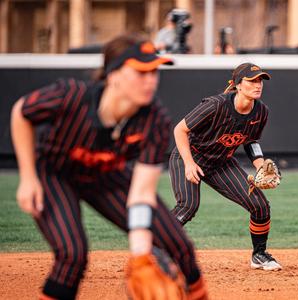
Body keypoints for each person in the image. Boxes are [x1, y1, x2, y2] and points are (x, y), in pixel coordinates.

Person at [10, 34, 207, 300]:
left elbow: (141, 194)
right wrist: (28, 177)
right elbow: (22, 112)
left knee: (179, 245)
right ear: (113, 76)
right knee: (72, 255)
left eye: (154, 71)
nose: (150, 80)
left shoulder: (154, 118)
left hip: (107, 175)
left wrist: (139, 254)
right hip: (55, 174)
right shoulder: (71, 96)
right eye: (140, 72)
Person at [169, 62, 282, 271]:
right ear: (238, 85)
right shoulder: (216, 105)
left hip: (221, 162)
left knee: (260, 206)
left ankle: (259, 255)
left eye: (260, 80)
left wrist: (259, 165)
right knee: (188, 206)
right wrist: (188, 163)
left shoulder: (261, 112)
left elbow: (250, 141)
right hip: (190, 155)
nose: (258, 85)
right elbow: (180, 130)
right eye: (252, 80)